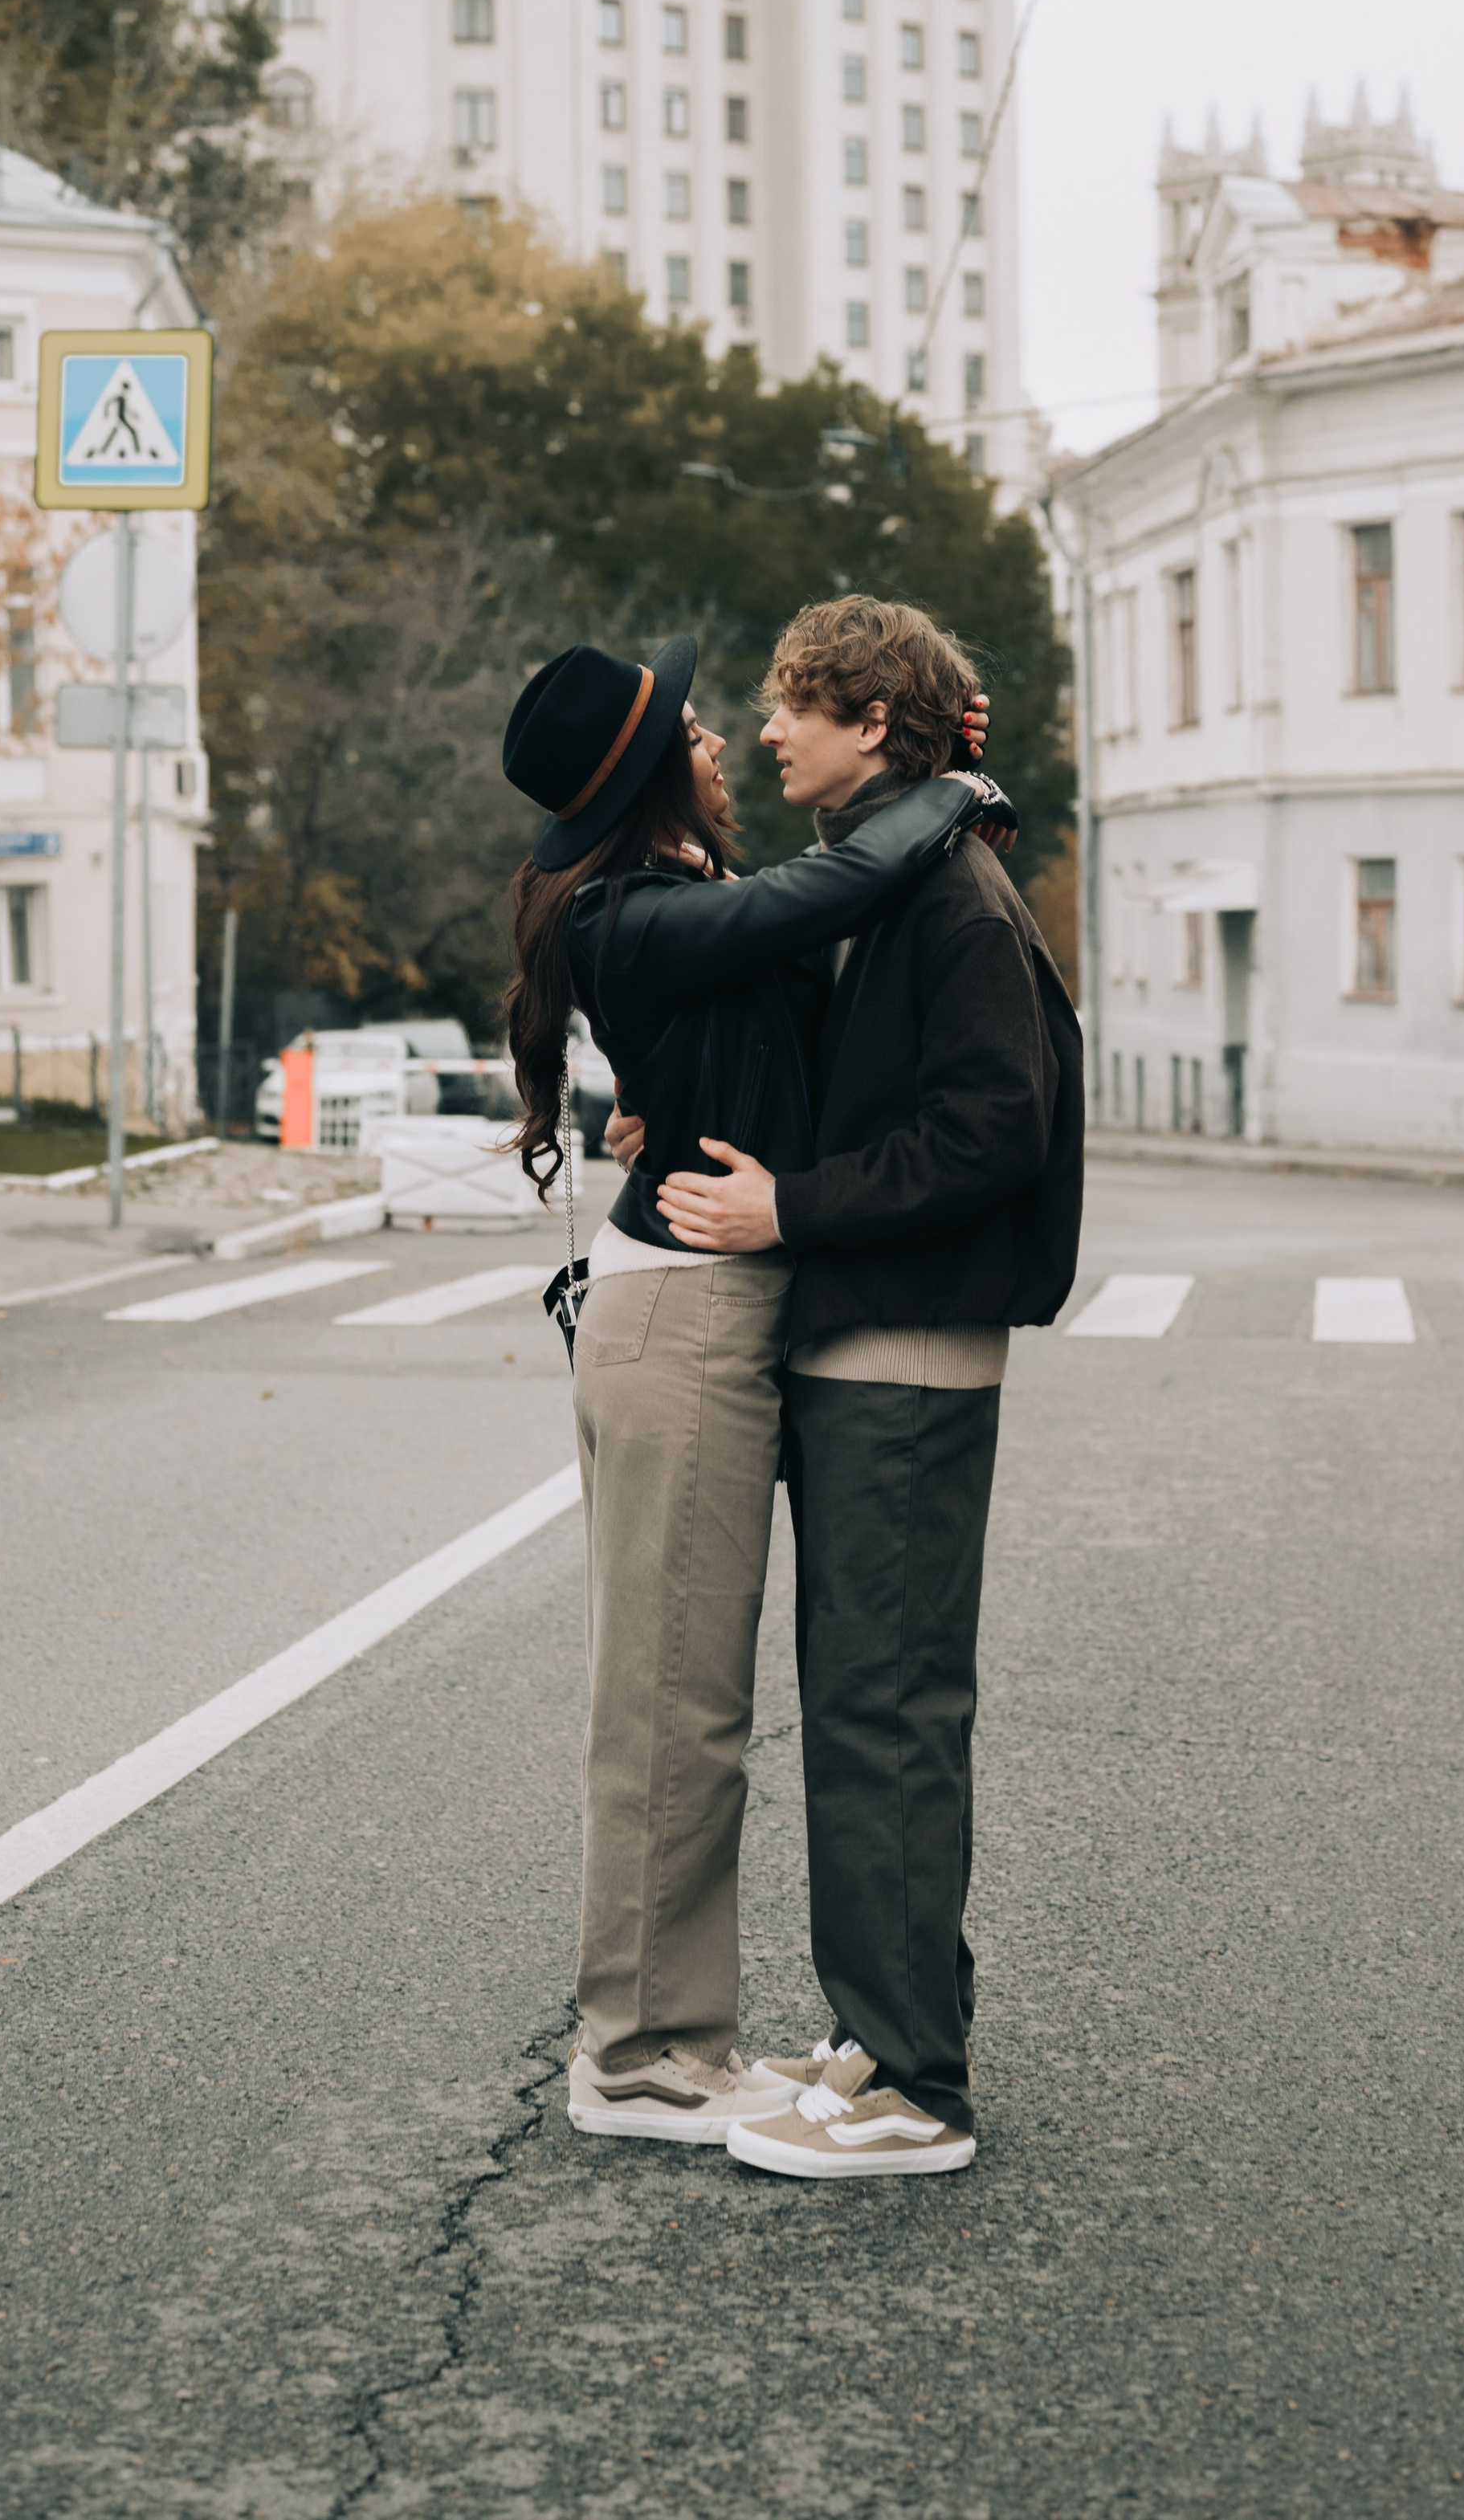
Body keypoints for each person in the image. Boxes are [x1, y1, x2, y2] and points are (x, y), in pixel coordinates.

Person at [500, 634, 1009, 2147]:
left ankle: (690, 2035)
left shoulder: (693, 904)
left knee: (712, 1702)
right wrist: (958, 778)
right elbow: (839, 891)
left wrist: (931, 755)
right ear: (652, 770)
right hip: (684, 1316)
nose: (730, 740)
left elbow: (806, 1016)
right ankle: (645, 2057)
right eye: (707, 729)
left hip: (746, 1309)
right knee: (670, 1710)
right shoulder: (628, 911)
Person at [652, 596, 1086, 2179]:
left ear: (874, 728)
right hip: (868, 1340)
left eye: (796, 705)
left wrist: (792, 1209)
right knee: (857, 1699)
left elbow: (991, 1127)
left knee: (885, 1709)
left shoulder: (947, 897)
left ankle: (914, 2084)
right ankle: (870, 2029)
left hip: (906, 1348)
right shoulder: (893, 883)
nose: (769, 730)